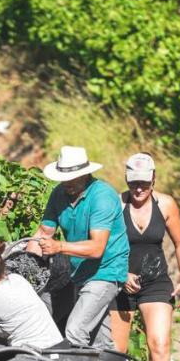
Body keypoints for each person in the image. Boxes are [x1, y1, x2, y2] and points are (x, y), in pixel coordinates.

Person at [28, 145, 130, 349]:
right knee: (100, 342)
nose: (67, 183)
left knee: (75, 331)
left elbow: (97, 248)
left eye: (73, 178)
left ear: (86, 174)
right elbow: (43, 233)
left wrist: (59, 247)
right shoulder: (59, 194)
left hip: (106, 271)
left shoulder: (102, 196)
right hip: (81, 272)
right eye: (64, 178)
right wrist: (25, 260)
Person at [108, 153, 180, 361]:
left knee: (160, 344)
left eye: (144, 182)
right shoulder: (116, 204)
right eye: (134, 181)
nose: (138, 188)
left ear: (154, 179)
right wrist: (121, 274)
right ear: (126, 178)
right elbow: (102, 246)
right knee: (117, 351)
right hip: (119, 282)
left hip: (155, 282)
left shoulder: (165, 204)